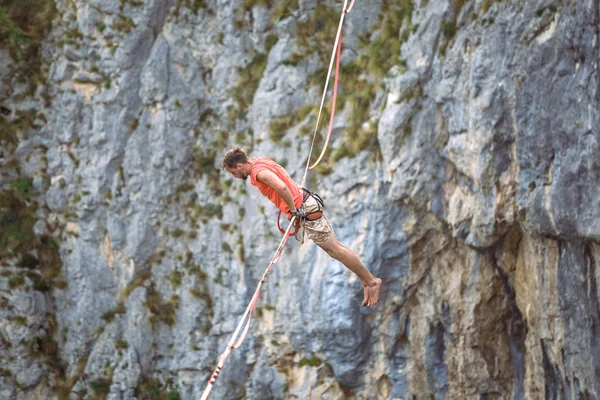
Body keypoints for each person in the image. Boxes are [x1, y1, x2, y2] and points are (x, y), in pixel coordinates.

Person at [221, 146, 382, 308]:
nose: (234, 176)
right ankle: (366, 282)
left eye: (233, 172)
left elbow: (282, 187)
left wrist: (293, 209)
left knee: (335, 250)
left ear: (240, 166)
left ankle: (372, 281)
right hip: (307, 204)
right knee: (336, 249)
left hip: (306, 209)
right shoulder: (257, 161)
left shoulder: (258, 173)